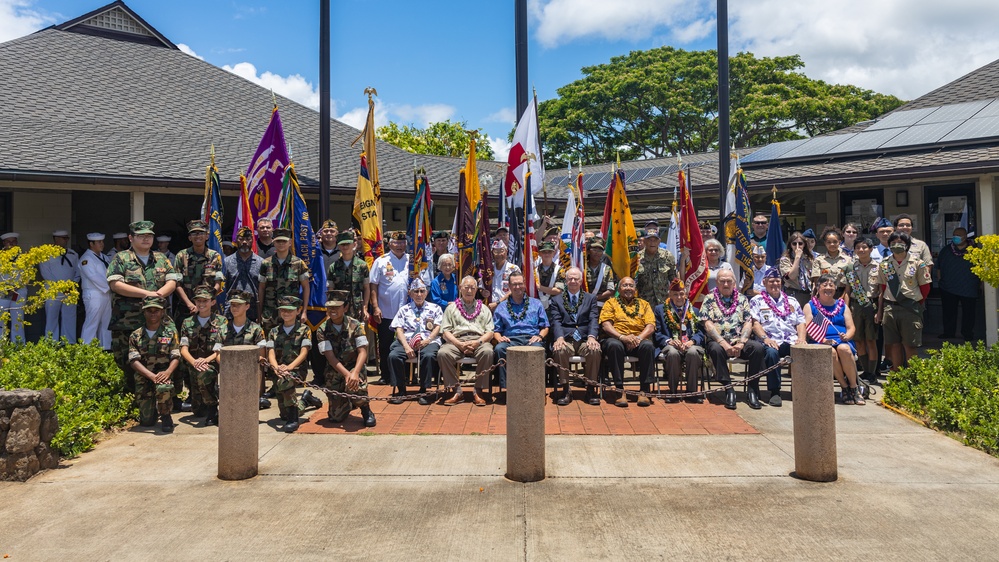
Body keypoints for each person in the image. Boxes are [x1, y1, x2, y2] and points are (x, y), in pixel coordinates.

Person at [107, 221, 181, 397]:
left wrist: (159, 294)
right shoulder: (121, 258)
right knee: (128, 361)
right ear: (131, 238)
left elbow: (172, 281)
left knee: (167, 357)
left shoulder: (161, 258)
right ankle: (134, 399)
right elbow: (115, 284)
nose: (146, 239)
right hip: (128, 321)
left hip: (159, 321)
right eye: (141, 236)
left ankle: (169, 397)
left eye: (149, 235)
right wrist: (148, 294)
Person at [700, 268, 766, 410]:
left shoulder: (742, 299)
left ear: (734, 283)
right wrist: (723, 343)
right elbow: (707, 323)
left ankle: (752, 389)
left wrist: (742, 343)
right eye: (722, 281)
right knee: (715, 349)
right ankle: (729, 389)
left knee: (758, 348)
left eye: (729, 281)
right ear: (717, 283)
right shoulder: (709, 299)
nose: (725, 284)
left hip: (738, 341)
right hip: (719, 341)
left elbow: (749, 321)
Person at [873, 232, 931, 372]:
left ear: (907, 245)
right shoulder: (885, 264)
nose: (896, 245)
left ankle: (912, 375)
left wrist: (915, 303)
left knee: (910, 345)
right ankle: (897, 374)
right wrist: (880, 311)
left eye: (900, 242)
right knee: (893, 344)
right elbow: (883, 288)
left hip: (909, 308)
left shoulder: (917, 263)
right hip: (890, 308)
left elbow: (925, 288)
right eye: (893, 243)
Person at [316, 290, 375, 427]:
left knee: (356, 385)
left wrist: (354, 373)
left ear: (346, 307)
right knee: (335, 418)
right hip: (335, 369)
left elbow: (362, 352)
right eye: (330, 307)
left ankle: (366, 409)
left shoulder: (355, 325)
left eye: (337, 307)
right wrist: (347, 374)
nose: (333, 310)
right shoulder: (322, 329)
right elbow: (330, 357)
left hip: (355, 366)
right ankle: (347, 403)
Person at [749, 268, 805, 407]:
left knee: (804, 351)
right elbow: (755, 323)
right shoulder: (757, 300)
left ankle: (804, 391)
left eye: (777, 281)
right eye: (771, 281)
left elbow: (801, 322)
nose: (775, 284)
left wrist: (801, 339)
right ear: (764, 282)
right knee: (772, 353)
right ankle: (775, 391)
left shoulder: (792, 301)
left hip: (790, 340)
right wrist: (765, 338)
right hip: (770, 341)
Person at [804, 274, 864, 405]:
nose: (828, 288)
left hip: (842, 340)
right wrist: (823, 340)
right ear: (818, 288)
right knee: (830, 352)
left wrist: (847, 336)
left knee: (844, 349)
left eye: (831, 285)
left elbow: (851, 327)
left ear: (836, 288)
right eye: (824, 285)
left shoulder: (842, 306)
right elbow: (808, 328)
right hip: (821, 341)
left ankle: (854, 388)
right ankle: (844, 386)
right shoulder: (810, 306)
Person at [599, 277, 656, 407]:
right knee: (614, 346)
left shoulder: (644, 304)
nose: (628, 288)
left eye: (631, 286)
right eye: (625, 285)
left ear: (635, 289)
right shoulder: (611, 303)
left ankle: (644, 391)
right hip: (617, 338)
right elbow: (606, 325)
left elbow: (650, 326)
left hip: (638, 339)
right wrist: (622, 337)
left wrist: (638, 338)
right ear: (619, 289)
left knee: (648, 346)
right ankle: (619, 390)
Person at [438, 276, 495, 406]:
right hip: (457, 341)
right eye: (466, 287)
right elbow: (445, 331)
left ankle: (478, 391)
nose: (469, 291)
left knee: (488, 352)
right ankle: (456, 391)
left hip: (479, 340)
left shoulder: (484, 309)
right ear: (460, 288)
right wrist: (459, 344)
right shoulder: (451, 308)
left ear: (476, 290)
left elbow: (490, 332)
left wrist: (478, 343)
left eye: (472, 288)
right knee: (443, 353)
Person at [492, 273, 549, 401]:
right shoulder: (501, 307)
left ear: (524, 284)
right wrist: (499, 338)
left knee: (538, 349)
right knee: (499, 349)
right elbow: (496, 329)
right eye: (514, 284)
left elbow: (545, 326)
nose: (517, 287)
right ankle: (509, 391)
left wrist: (540, 336)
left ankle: (537, 390)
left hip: (531, 338)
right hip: (510, 339)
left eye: (520, 283)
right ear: (509, 286)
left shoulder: (536, 303)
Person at [128, 296, 180, 433]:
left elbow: (176, 356)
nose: (153, 314)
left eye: (156, 310)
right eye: (149, 311)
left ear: (162, 312)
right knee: (147, 422)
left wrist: (168, 372)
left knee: (164, 386)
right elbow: (134, 361)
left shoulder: (170, 332)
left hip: (163, 375)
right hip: (144, 377)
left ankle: (166, 415)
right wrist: (151, 376)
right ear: (143, 312)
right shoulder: (135, 335)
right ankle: (152, 411)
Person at [549, 267, 601, 406]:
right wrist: (559, 338)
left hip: (584, 339)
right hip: (567, 339)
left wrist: (592, 337)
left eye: (576, 279)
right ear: (565, 281)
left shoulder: (590, 299)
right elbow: (556, 321)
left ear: (581, 281)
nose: (573, 281)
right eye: (570, 278)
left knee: (594, 350)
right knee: (559, 350)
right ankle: (566, 390)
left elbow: (593, 319)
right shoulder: (556, 300)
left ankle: (590, 389)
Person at [387, 278, 442, 405]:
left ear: (426, 293)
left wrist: (427, 340)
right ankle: (401, 390)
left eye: (422, 291)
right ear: (410, 293)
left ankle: (423, 390)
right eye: (416, 291)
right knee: (393, 356)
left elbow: (438, 327)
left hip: (428, 341)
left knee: (428, 356)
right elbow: (398, 329)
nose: (419, 294)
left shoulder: (435, 308)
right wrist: (406, 347)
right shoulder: (404, 309)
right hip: (407, 341)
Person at [179, 286, 225, 426]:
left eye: (205, 300)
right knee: (198, 411)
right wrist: (194, 362)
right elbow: (183, 349)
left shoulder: (221, 321)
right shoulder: (187, 323)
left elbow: (220, 348)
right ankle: (209, 395)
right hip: (193, 367)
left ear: (212, 302)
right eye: (198, 301)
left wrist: (205, 361)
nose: (201, 304)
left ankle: (213, 409)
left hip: (212, 365)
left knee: (205, 373)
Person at [654, 278, 706, 404]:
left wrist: (692, 341)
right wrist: (669, 341)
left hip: (690, 344)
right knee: (672, 353)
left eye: (681, 294)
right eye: (675, 294)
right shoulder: (660, 310)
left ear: (686, 294)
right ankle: (673, 392)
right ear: (670, 295)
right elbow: (657, 333)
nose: (679, 297)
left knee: (693, 353)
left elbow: (701, 333)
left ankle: (692, 392)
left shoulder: (694, 311)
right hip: (670, 345)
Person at [369, 231, 410, 385]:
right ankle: (386, 375)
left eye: (402, 242)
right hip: (386, 310)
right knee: (385, 344)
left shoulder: (411, 260)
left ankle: (405, 375)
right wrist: (375, 307)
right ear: (390, 244)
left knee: (406, 343)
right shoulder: (381, 261)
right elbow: (374, 284)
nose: (399, 246)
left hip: (407, 312)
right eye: (396, 242)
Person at [266, 295, 312, 432]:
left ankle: (294, 419)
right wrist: (276, 368)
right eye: (283, 310)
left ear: (298, 311)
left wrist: (289, 368)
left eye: (290, 310)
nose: (286, 313)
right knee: (283, 414)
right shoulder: (274, 331)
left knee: (286, 382)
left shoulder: (304, 330)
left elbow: (304, 353)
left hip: (297, 370)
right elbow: (271, 353)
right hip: (278, 371)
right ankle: (305, 400)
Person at [221, 290, 270, 410]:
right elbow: (218, 353)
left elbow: (261, 357)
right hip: (228, 371)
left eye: (238, 305)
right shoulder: (223, 329)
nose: (234, 308)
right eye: (232, 305)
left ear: (247, 306)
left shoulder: (256, 329)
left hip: (249, 373)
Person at [257, 227, 310, 334]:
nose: (281, 243)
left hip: (290, 314)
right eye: (278, 241)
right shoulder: (266, 263)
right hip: (270, 315)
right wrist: (259, 313)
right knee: (269, 345)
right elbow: (261, 288)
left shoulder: (298, 263)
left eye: (284, 241)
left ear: (290, 242)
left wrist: (304, 311)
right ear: (274, 243)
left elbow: (306, 287)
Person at [844, 237, 880, 383]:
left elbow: (882, 291)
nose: (861, 250)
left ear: (871, 249)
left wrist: (880, 311)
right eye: (858, 247)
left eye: (864, 247)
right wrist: (845, 310)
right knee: (858, 340)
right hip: (856, 305)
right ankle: (864, 370)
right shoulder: (851, 267)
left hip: (871, 305)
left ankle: (872, 372)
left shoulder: (880, 267)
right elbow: (847, 290)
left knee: (871, 340)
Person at [173, 220, 223, 323]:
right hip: (186, 308)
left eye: (201, 233)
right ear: (189, 238)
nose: (198, 236)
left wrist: (206, 303)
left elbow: (218, 282)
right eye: (194, 233)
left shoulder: (215, 256)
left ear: (207, 236)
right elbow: (176, 284)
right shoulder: (181, 256)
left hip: (209, 308)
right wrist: (189, 304)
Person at [937, 227, 979, 341]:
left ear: (965, 237)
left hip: (969, 288)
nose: (955, 237)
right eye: (954, 234)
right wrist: (940, 280)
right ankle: (948, 332)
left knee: (969, 313)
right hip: (948, 287)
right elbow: (939, 267)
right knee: (949, 312)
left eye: (958, 235)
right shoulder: (946, 250)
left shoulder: (974, 251)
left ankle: (967, 333)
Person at [38, 229, 80, 342]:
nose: (66, 241)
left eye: (67, 238)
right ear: (56, 239)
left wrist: (72, 285)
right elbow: (46, 273)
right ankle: (52, 342)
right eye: (63, 238)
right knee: (52, 318)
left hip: (70, 291)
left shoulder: (73, 254)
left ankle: (69, 342)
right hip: (53, 291)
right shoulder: (46, 255)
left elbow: (77, 271)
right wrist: (60, 287)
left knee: (70, 318)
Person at [222, 226, 263, 321]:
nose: (244, 242)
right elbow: (223, 287)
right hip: (232, 310)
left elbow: (263, 288)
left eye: (248, 239)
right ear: (236, 240)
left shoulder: (261, 262)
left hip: (253, 311)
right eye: (241, 239)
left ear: (252, 241)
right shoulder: (227, 262)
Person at [79, 233, 112, 349]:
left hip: (106, 293)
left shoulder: (104, 257)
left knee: (106, 322)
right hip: (94, 293)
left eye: (102, 241)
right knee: (92, 322)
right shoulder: (86, 259)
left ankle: (106, 348)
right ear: (91, 244)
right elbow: (94, 277)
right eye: (99, 242)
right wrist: (112, 286)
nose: (102, 244)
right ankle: (87, 349)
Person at [635, 227, 677, 307]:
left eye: (655, 240)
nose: (652, 243)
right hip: (643, 304)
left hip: (664, 303)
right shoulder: (638, 258)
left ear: (659, 241)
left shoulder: (667, 256)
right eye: (649, 240)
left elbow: (673, 280)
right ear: (644, 241)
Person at [811, 226, 850, 302]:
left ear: (839, 242)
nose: (832, 244)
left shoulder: (848, 260)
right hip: (824, 294)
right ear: (825, 243)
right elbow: (817, 281)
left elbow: (849, 283)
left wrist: (843, 296)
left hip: (841, 294)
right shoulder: (819, 260)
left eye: (835, 242)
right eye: (829, 242)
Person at [0, 232, 27, 343]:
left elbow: (27, 275)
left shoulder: (23, 257)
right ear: (4, 243)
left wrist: (15, 288)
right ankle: (2, 345)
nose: (11, 244)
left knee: (18, 320)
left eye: (13, 241)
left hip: (18, 291)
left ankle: (18, 346)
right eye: (8, 242)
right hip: (2, 292)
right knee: (2, 320)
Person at [779, 232, 814, 307]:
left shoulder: (809, 260)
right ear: (790, 245)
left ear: (804, 245)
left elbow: (814, 277)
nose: (797, 246)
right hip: (793, 293)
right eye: (794, 244)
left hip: (808, 295)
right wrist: (797, 257)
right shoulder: (785, 260)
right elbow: (792, 276)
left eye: (800, 243)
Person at [487, 239, 521, 310]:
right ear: (492, 253)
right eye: (496, 251)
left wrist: (498, 303)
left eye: (501, 251)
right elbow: (481, 285)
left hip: (509, 307)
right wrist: (483, 291)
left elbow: (517, 289)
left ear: (506, 251)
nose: (499, 254)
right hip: (490, 307)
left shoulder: (514, 269)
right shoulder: (488, 268)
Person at [584, 237, 616, 303]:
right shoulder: (583, 267)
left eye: (600, 250)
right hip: (583, 303)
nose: (597, 253)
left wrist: (595, 298)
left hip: (600, 304)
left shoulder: (606, 269)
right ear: (589, 251)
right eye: (594, 249)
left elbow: (611, 290)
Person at [535, 241, 564, 309]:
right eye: (544, 252)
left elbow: (558, 291)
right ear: (540, 254)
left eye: (549, 252)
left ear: (553, 253)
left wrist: (540, 287)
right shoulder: (535, 271)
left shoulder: (560, 270)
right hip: (537, 306)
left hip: (554, 307)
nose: (547, 254)